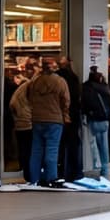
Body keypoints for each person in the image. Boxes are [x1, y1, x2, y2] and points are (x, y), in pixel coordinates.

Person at [28, 57, 70, 186]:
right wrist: (65, 114)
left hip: (37, 119)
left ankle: (34, 178)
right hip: (54, 120)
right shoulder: (59, 81)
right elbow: (66, 100)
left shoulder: (35, 82)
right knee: (52, 150)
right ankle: (51, 178)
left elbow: (29, 98)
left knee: (36, 151)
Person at [81, 67, 110, 179]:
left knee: (93, 144)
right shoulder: (104, 87)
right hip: (104, 119)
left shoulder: (86, 87)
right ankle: (105, 170)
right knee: (104, 146)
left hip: (93, 119)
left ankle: (97, 167)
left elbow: (84, 103)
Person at [57, 56, 83, 182]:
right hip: (73, 115)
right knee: (73, 145)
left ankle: (59, 172)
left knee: (59, 145)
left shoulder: (56, 78)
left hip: (58, 116)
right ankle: (75, 172)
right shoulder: (74, 78)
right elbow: (76, 97)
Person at [8, 62, 34, 181]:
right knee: (30, 149)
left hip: (20, 123)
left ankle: (25, 171)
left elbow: (12, 104)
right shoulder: (30, 87)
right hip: (28, 123)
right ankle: (30, 173)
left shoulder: (20, 91)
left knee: (23, 148)